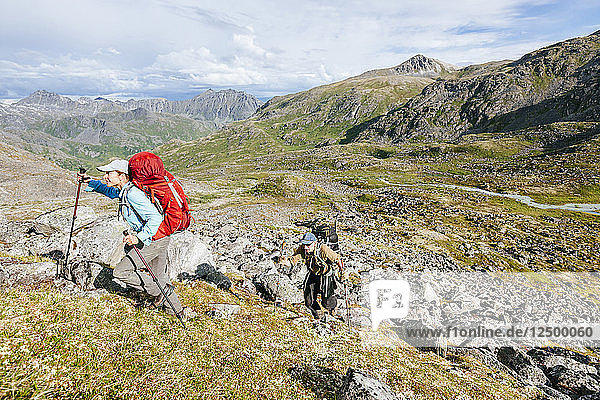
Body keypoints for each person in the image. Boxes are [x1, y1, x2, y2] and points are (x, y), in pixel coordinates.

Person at [78, 159, 195, 319]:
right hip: (160, 237)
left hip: (153, 240)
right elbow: (109, 191)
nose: (105, 176)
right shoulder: (125, 190)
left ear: (122, 176)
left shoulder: (133, 194)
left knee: (121, 272)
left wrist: (138, 237)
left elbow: (155, 218)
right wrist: (88, 181)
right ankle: (176, 312)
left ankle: (160, 292)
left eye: (109, 173)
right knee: (159, 275)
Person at [282, 232, 344, 320]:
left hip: (325, 274)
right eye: (304, 244)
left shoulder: (323, 249)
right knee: (308, 301)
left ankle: (333, 307)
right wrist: (284, 262)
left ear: (314, 243)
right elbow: (294, 259)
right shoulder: (302, 249)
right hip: (313, 273)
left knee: (326, 302)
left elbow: (337, 259)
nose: (305, 247)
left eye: (308, 245)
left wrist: (342, 273)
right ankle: (319, 316)